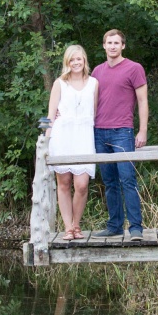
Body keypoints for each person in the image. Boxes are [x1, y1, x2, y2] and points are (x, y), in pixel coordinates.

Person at [91, 29, 148, 240]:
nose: (113, 46)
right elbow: (88, 100)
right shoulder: (97, 71)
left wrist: (142, 130)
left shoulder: (134, 68)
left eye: (117, 43)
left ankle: (135, 228)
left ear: (123, 46)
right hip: (99, 132)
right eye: (109, 42)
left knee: (128, 180)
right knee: (109, 182)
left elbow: (142, 101)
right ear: (104, 45)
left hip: (122, 131)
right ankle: (114, 226)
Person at [46, 45, 98, 240]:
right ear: (67, 63)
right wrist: (46, 139)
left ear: (84, 60)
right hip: (62, 136)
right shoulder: (60, 83)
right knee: (64, 183)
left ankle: (77, 224)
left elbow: (94, 113)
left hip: (84, 136)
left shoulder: (93, 83)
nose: (76, 63)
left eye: (79, 59)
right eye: (72, 60)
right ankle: (69, 228)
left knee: (82, 184)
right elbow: (51, 115)